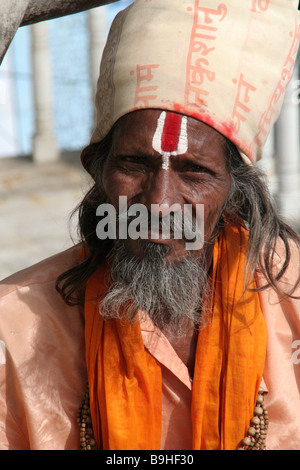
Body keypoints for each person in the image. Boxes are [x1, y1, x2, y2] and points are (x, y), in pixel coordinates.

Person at [0, 0, 300, 451]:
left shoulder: (291, 294)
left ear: (235, 190)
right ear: (96, 169)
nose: (159, 204)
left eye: (194, 171)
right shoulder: (13, 326)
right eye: (133, 165)